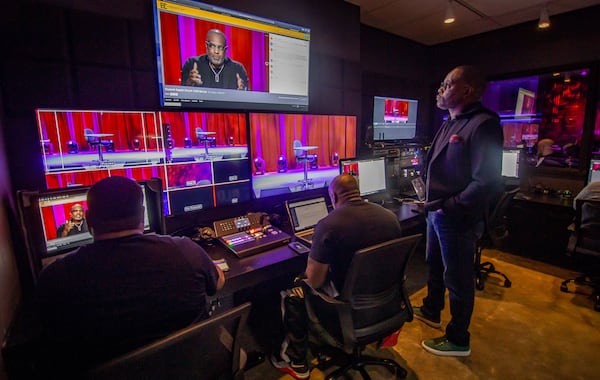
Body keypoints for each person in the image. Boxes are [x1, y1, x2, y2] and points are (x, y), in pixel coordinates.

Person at [35, 176, 225, 377]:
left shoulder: (55, 277)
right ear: (142, 214)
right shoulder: (186, 250)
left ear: (89, 219)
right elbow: (218, 283)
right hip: (191, 368)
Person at [270, 174, 402, 379]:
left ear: (333, 196)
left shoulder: (328, 225)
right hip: (386, 302)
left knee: (293, 293)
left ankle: (295, 362)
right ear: (358, 191)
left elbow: (314, 282)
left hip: (349, 308)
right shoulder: (389, 217)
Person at [414, 65, 503, 357]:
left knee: (459, 279)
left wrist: (448, 208)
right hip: (436, 212)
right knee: (434, 265)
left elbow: (486, 181)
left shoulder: (483, 124)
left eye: (447, 84)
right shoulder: (450, 121)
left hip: (455, 217)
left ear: (467, 89)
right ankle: (431, 309)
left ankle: (458, 339)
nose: (440, 89)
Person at [181, 29, 248, 90]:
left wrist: (242, 92)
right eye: (212, 46)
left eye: (220, 47)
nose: (216, 51)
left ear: (225, 50)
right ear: (206, 46)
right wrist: (189, 83)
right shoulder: (192, 63)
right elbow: (181, 95)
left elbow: (247, 94)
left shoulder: (238, 69)